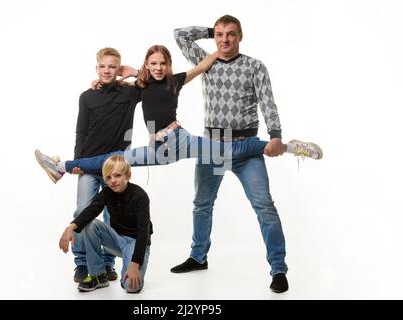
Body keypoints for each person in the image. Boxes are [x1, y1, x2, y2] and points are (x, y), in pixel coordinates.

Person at [35, 45, 322, 181]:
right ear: (147, 64)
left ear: (169, 64)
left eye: (163, 63)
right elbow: (120, 85)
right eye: (153, 63)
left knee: (230, 149)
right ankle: (62, 168)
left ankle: (291, 147)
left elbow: (202, 66)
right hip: (157, 148)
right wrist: (118, 77)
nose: (158, 67)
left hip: (180, 140)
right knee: (116, 162)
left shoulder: (176, 81)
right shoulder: (141, 85)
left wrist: (219, 49)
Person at [170, 15, 302, 293]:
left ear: (240, 36)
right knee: (202, 204)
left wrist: (276, 135)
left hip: (246, 149)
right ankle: (198, 257)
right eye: (219, 34)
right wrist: (209, 31)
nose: (224, 40)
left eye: (230, 34)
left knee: (265, 207)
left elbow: (268, 103)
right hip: (211, 148)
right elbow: (180, 34)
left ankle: (278, 269)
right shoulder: (205, 62)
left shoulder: (254, 66)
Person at [57, 47, 141, 283]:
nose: (107, 71)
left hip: (115, 165)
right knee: (84, 210)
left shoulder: (130, 93)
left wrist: (134, 72)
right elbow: (81, 131)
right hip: (89, 165)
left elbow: (155, 82)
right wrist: (77, 161)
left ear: (119, 68)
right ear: (96, 68)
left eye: (112, 66)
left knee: (112, 215)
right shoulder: (87, 96)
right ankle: (82, 264)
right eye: (103, 67)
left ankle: (106, 263)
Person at [59, 155, 152, 293]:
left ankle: (129, 271)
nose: (112, 181)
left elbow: (143, 232)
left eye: (117, 176)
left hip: (136, 243)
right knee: (90, 225)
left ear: (128, 175)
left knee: (131, 287)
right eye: (108, 177)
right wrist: (70, 227)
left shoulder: (140, 196)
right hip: (116, 240)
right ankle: (98, 275)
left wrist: (134, 263)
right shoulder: (107, 192)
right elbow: (91, 210)